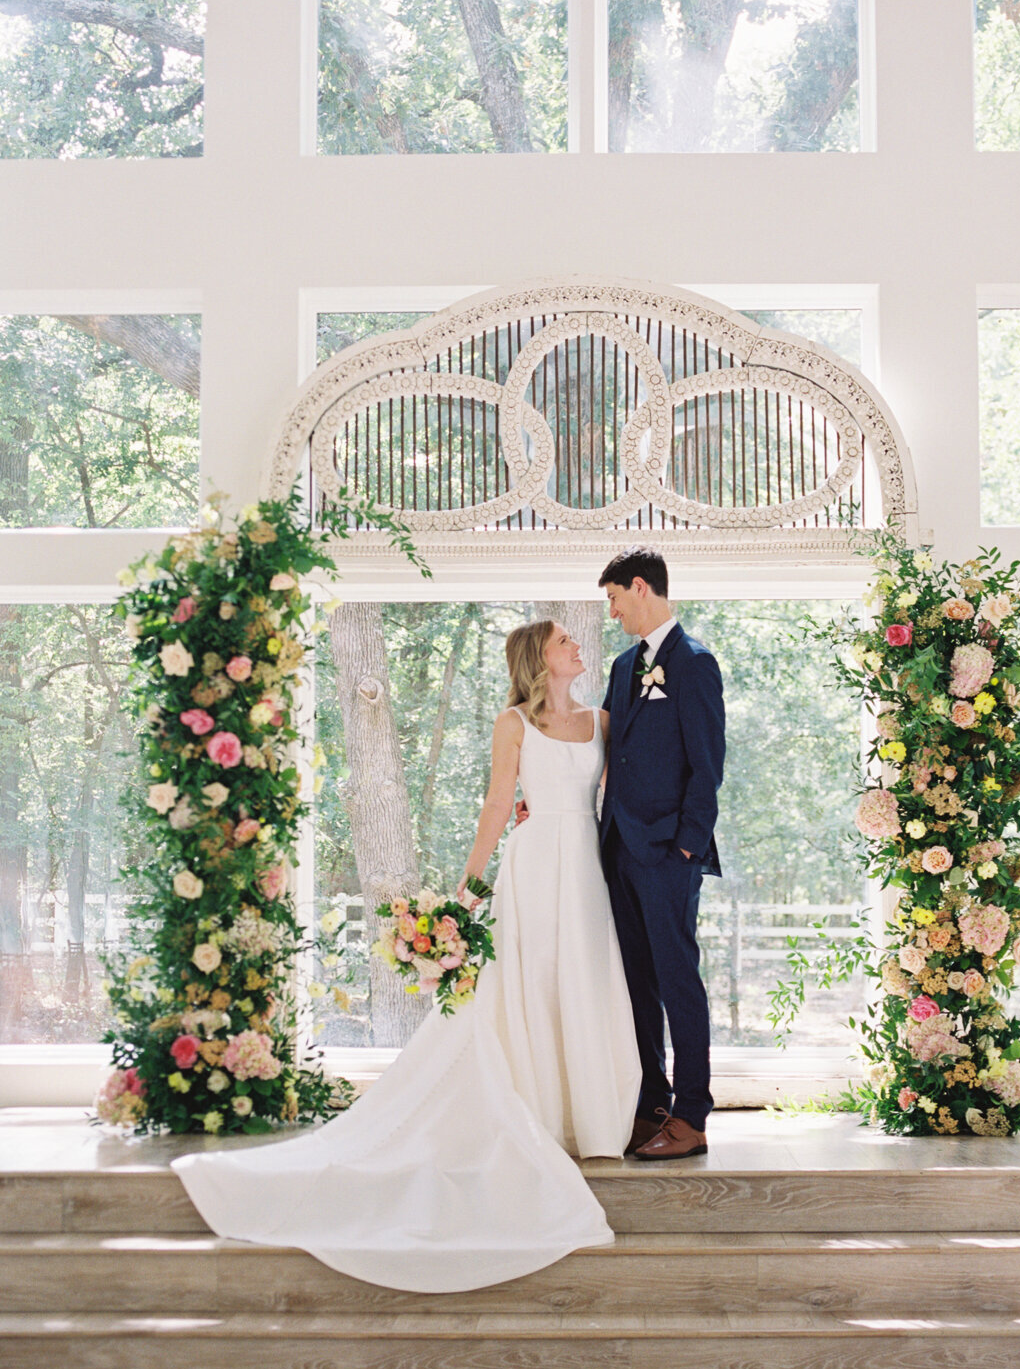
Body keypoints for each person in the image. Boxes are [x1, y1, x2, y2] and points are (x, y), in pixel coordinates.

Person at [172, 619, 640, 1293]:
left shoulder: (602, 719)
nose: (577, 647)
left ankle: (590, 1119)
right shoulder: (512, 723)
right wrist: (468, 892)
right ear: (540, 657)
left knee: (585, 980)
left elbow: (618, 796)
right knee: (529, 981)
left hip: (588, 867)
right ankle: (537, 1114)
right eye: (564, 640)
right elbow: (497, 804)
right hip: (532, 867)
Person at [598, 548, 726, 1161]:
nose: (614, 611)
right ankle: (652, 1104)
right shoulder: (623, 667)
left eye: (615, 598)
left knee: (679, 982)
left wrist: (685, 847)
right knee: (635, 984)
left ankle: (692, 1116)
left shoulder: (695, 664)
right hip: (618, 848)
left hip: (670, 853)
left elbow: (708, 768)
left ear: (641, 587)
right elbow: (603, 751)